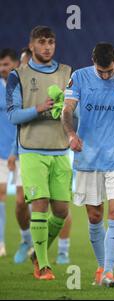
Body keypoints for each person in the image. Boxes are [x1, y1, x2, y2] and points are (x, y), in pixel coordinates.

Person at [62, 42, 114, 287]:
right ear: (93, 62)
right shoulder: (79, 77)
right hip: (88, 158)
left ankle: (109, 272)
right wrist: (71, 134)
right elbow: (67, 110)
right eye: (101, 71)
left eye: (109, 71)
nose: (105, 75)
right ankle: (102, 266)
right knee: (95, 216)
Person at [6, 26, 73, 280]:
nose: (47, 47)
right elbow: (12, 115)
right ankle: (43, 266)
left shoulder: (67, 72)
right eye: (42, 42)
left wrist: (66, 113)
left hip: (60, 149)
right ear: (31, 45)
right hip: (32, 149)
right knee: (40, 205)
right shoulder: (18, 75)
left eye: (51, 42)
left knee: (61, 211)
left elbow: (74, 110)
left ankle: (37, 251)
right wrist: (39, 108)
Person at [0, 48, 27, 259]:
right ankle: (0, 243)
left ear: (15, 65)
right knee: (0, 195)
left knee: (22, 201)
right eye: (0, 65)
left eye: (6, 64)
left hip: (21, 149)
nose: (3, 68)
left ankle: (25, 239)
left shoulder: (22, 88)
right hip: (0, 151)